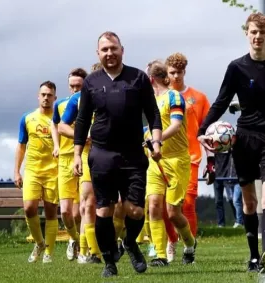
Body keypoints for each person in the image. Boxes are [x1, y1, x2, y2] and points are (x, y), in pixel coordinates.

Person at [197, 12, 265, 273]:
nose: (258, 37)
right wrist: (202, 130)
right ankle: (254, 256)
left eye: (262, 32)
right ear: (247, 34)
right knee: (248, 202)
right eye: (253, 32)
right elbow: (221, 101)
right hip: (244, 139)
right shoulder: (236, 67)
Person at [73, 31, 162, 278]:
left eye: (113, 48)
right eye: (104, 50)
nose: (109, 53)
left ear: (122, 49)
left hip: (133, 154)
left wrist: (156, 142)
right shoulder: (91, 82)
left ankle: (131, 243)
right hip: (101, 154)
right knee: (103, 211)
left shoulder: (138, 78)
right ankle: (109, 261)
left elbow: (153, 113)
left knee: (134, 210)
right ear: (98, 53)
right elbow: (81, 121)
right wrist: (77, 154)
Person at [143, 60, 197, 267]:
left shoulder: (174, 96)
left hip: (177, 160)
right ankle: (160, 255)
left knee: (174, 212)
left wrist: (156, 142)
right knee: (154, 206)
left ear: (150, 79)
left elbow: (175, 125)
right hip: (155, 161)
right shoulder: (148, 101)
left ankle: (190, 245)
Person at [165, 52, 210, 261]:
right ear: (166, 73)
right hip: (163, 158)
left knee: (188, 204)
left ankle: (188, 247)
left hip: (191, 157)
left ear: (185, 72)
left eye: (179, 72)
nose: (176, 76)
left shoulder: (198, 98)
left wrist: (211, 161)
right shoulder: (160, 98)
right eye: (172, 72)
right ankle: (170, 242)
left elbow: (207, 131)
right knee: (166, 206)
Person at [58, 63, 104, 264]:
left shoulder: (117, 95)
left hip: (113, 155)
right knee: (88, 203)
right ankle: (89, 251)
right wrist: (82, 136)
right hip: (88, 155)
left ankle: (119, 242)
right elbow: (61, 126)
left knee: (118, 206)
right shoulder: (77, 100)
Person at [14, 81, 59, 263]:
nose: (46, 98)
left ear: (55, 98)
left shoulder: (59, 119)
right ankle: (39, 243)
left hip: (53, 171)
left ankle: (48, 252)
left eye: (49, 95)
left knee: (50, 212)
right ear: (38, 96)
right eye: (43, 94)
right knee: (29, 208)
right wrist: (17, 171)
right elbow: (21, 145)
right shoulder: (27, 118)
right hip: (32, 169)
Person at [51, 67, 87, 261]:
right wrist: (56, 145)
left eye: (78, 86)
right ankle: (74, 239)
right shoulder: (62, 104)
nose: (75, 90)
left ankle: (84, 248)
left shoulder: (90, 101)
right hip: (65, 158)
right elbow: (55, 124)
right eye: (72, 86)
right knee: (66, 211)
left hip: (84, 157)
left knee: (82, 208)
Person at [213, 149, 243, 228]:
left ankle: (239, 221)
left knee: (234, 200)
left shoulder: (229, 147)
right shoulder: (215, 145)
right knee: (220, 201)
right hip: (220, 176)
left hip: (230, 176)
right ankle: (221, 224)